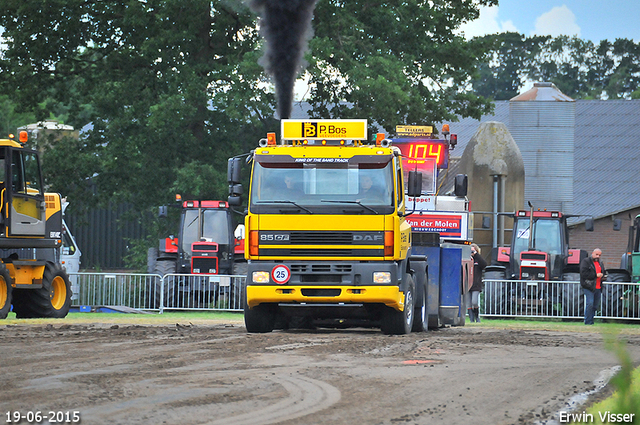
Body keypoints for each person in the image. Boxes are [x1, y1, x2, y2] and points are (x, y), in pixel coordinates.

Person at [580, 248, 606, 325]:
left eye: (599, 255)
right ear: (592, 253)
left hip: (598, 287)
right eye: (596, 254)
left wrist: (603, 276)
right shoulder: (586, 261)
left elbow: (603, 272)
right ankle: (588, 321)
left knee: (595, 306)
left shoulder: (600, 263)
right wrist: (595, 275)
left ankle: (591, 320)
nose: (598, 256)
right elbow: (583, 273)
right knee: (590, 304)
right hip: (589, 286)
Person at [466, 243, 487, 323]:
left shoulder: (478, 260)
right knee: (468, 303)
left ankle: (477, 317)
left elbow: (484, 264)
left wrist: (476, 255)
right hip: (467, 284)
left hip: (476, 284)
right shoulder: (467, 260)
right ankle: (471, 319)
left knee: (474, 302)